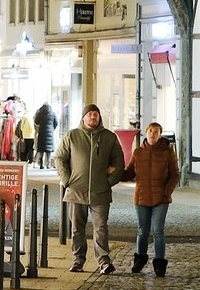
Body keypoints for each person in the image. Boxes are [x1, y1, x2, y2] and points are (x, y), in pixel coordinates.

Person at [55, 103, 124, 274]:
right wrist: (66, 180)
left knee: (101, 227)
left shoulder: (109, 138)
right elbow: (60, 158)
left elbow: (119, 162)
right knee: (77, 228)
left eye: (96, 114)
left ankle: (104, 261)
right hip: (76, 191)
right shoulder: (72, 136)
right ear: (84, 117)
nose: (93, 117)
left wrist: (110, 181)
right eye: (90, 114)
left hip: (100, 191)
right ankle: (78, 260)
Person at [130, 121, 181, 276]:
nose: (153, 134)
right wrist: (114, 173)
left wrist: (167, 192)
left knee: (158, 230)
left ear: (160, 135)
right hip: (141, 197)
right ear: (146, 133)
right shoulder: (138, 152)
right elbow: (130, 172)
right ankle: (140, 259)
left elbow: (175, 175)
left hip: (161, 198)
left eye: (156, 131)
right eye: (151, 131)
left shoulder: (167, 153)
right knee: (142, 230)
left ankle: (159, 263)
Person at [34, 101, 58, 169]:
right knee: (48, 150)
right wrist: (52, 129)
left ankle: (41, 164)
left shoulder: (40, 113)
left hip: (41, 132)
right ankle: (48, 164)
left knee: (41, 149)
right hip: (50, 132)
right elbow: (56, 122)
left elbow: (36, 121)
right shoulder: (53, 113)